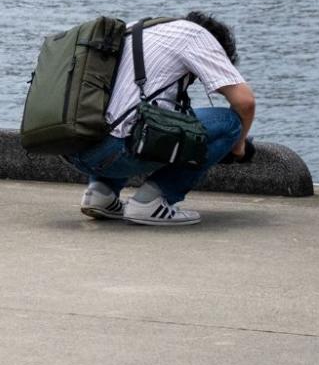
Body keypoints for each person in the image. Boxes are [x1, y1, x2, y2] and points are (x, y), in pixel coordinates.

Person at [67, 13, 254, 227]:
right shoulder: (197, 37)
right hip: (115, 153)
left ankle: (101, 192)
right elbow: (245, 102)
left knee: (131, 113)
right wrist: (238, 146)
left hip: (76, 150)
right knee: (229, 123)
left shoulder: (138, 30)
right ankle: (151, 201)